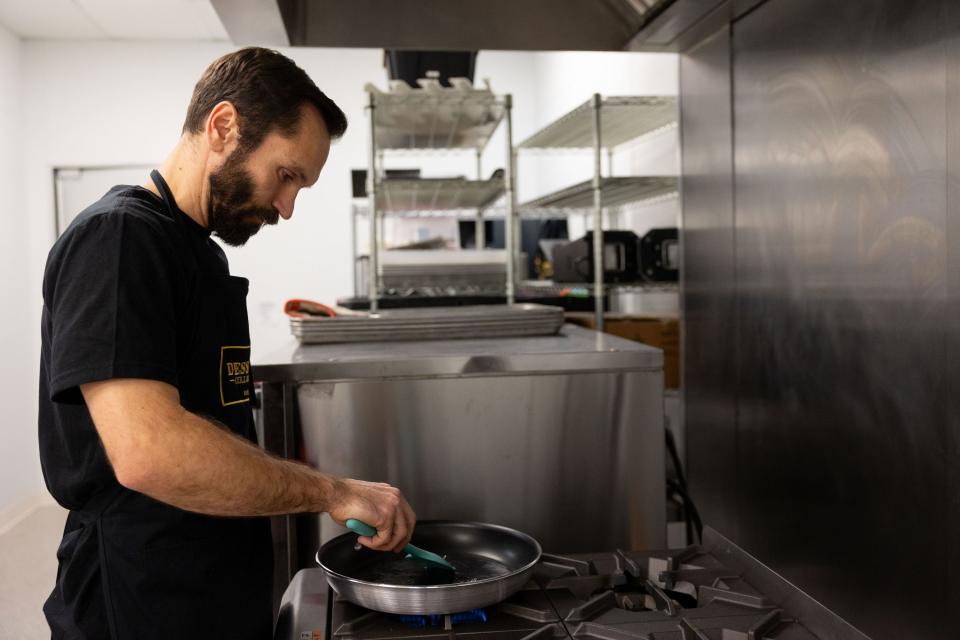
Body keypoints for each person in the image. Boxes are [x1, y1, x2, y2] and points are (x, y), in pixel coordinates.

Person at [38, 47, 416, 639]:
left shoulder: (201, 253)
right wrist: (330, 491)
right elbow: (148, 452)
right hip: (141, 595)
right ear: (222, 126)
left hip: (211, 583)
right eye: (287, 175)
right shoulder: (118, 240)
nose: (287, 208)